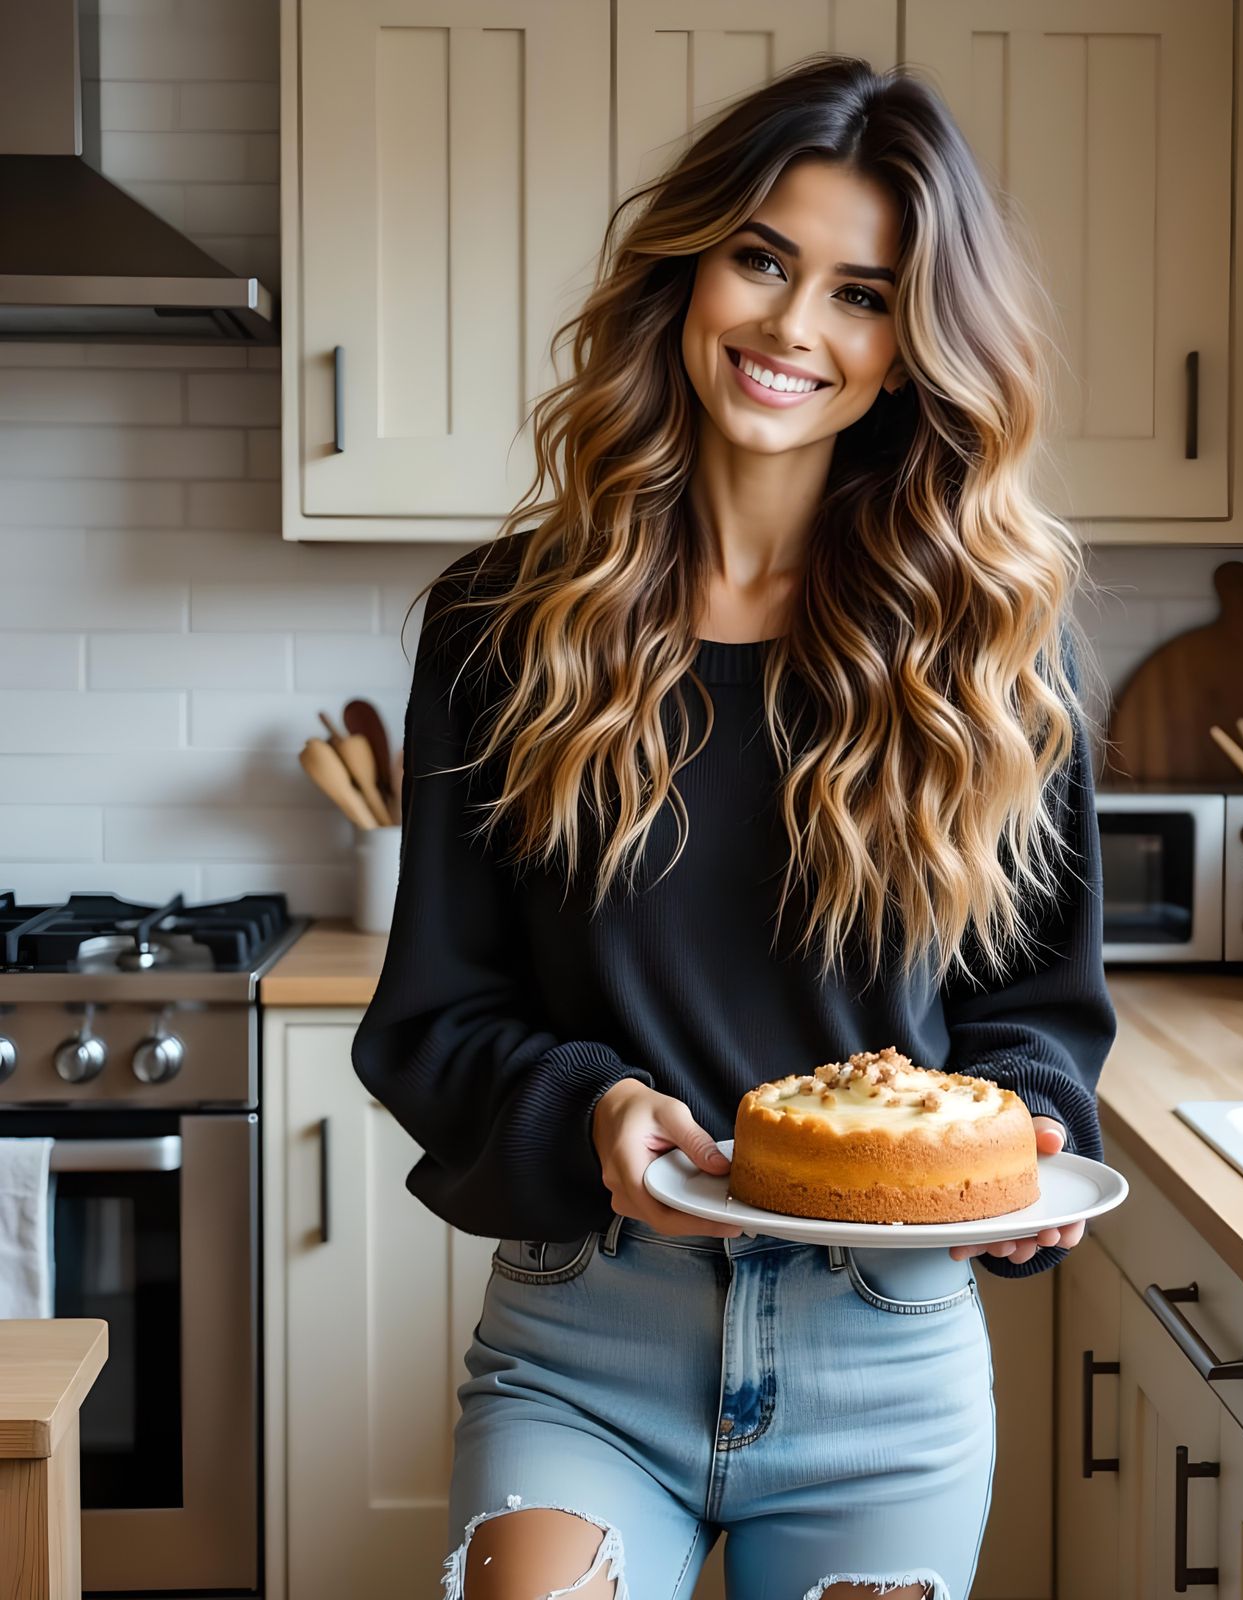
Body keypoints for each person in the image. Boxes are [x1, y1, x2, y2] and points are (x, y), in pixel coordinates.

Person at [351, 54, 1116, 1600]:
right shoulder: (504, 627)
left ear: (910, 353)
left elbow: (1035, 1017)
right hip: (586, 1335)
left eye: (862, 293)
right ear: (689, 269)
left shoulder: (997, 653)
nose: (791, 328)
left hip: (882, 1360)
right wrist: (593, 1110)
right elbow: (435, 1018)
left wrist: (1026, 1141)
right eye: (763, 259)